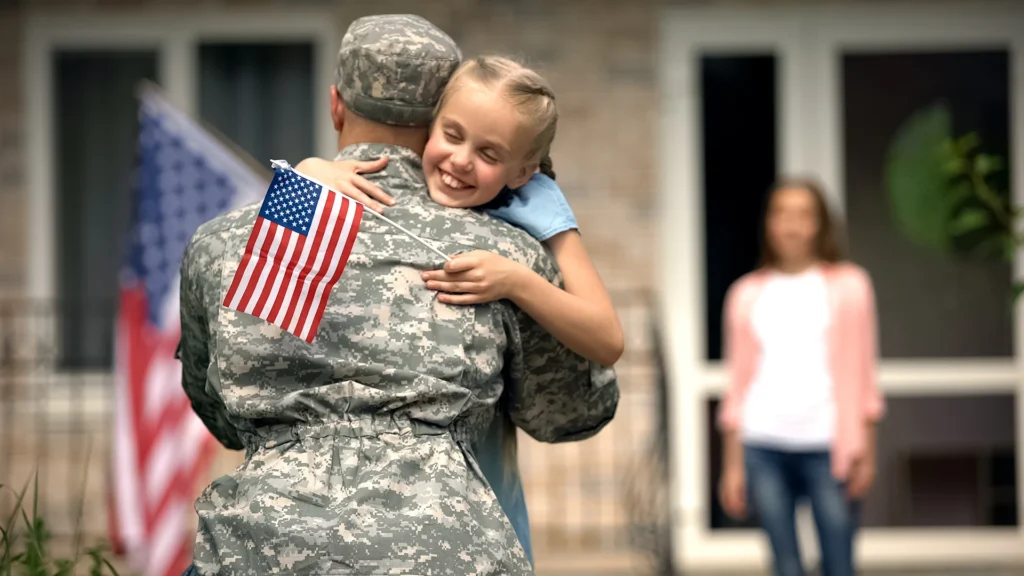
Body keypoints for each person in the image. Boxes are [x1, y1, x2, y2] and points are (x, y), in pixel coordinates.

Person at [179, 14, 618, 576]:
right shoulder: (499, 254)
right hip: (446, 549)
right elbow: (569, 413)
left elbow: (216, 409)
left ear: (336, 105)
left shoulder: (229, 241)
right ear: (435, 117)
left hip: (257, 551)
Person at [716, 177, 885, 576]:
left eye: (804, 215)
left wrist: (868, 452)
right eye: (782, 213)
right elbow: (737, 386)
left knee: (839, 563)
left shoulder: (851, 286)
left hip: (828, 446)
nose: (792, 225)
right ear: (769, 223)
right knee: (785, 565)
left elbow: (864, 376)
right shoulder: (745, 294)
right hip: (763, 444)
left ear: (821, 224)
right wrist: (733, 466)